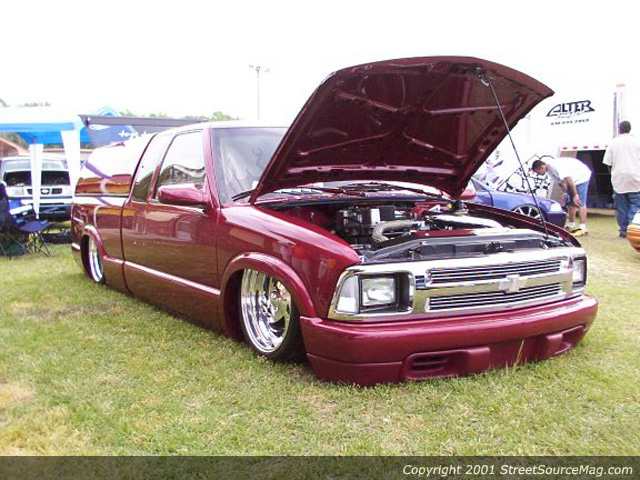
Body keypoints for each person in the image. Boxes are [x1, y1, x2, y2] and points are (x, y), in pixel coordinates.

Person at [532, 157, 592, 236]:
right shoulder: (549, 171)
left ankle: (583, 228)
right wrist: (566, 193)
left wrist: (575, 195)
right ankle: (571, 224)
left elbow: (569, 180)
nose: (538, 174)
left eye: (538, 172)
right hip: (572, 178)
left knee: (580, 202)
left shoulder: (555, 167)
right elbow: (561, 182)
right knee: (570, 202)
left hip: (581, 176)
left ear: (541, 167)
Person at [603, 121, 640, 238]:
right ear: (630, 129)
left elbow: (608, 163)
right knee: (635, 205)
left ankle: (623, 231)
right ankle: (632, 229)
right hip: (635, 177)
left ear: (619, 129)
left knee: (622, 207)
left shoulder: (613, 143)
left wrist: (613, 175)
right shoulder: (637, 141)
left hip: (618, 179)